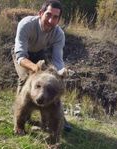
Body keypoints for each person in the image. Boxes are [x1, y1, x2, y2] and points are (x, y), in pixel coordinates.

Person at [12, 0, 72, 132]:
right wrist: (35, 70)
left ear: (59, 19)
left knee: (50, 85)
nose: (51, 20)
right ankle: (21, 116)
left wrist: (59, 75)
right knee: (26, 80)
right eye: (48, 15)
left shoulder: (59, 34)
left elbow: (57, 60)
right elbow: (20, 56)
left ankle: (58, 117)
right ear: (40, 13)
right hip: (23, 56)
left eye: (55, 17)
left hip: (39, 54)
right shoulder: (26, 24)